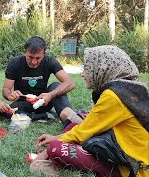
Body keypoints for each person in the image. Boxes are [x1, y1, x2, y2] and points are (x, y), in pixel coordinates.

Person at [30, 45, 149, 177]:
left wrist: (45, 153)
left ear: (102, 68)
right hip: (118, 145)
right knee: (72, 126)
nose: (83, 74)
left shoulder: (114, 96)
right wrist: (55, 137)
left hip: (132, 166)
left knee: (55, 149)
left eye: (86, 68)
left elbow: (83, 132)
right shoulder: (127, 89)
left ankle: (111, 171)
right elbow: (87, 127)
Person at [2, 36, 77, 124]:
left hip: (43, 102)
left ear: (44, 54)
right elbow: (5, 89)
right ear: (25, 52)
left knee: (55, 86)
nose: (34, 62)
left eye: (38, 58)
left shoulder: (50, 61)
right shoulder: (15, 63)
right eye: (30, 57)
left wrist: (50, 95)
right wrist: (10, 95)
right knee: (6, 113)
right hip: (23, 103)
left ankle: (68, 117)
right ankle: (45, 116)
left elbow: (70, 83)